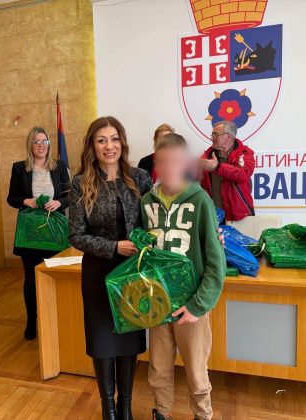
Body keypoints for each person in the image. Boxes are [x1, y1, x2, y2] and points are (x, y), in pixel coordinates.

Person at [70, 116, 152, 420]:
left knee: (128, 339)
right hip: (98, 274)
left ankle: (126, 407)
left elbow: (157, 220)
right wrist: (114, 247)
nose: (109, 146)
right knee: (103, 341)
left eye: (114, 138)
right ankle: (109, 409)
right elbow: (76, 235)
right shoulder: (81, 183)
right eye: (101, 140)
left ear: (122, 142)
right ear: (92, 145)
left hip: (133, 273)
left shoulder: (140, 178)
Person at [140, 133, 226, 420]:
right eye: (163, 162)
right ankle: (162, 412)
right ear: (155, 163)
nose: (169, 168)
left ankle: (202, 414)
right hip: (159, 302)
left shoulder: (201, 201)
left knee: (196, 371)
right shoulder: (146, 202)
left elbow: (215, 261)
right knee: (158, 367)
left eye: (175, 161)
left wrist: (199, 305)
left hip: (191, 304)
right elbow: (144, 251)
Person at [7, 127, 70, 340]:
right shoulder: (19, 168)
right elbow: (12, 198)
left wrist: (59, 202)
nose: (41, 145)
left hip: (55, 233)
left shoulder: (59, 167)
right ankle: (31, 321)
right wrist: (26, 201)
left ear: (49, 145)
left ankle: (56, 319)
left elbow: (71, 196)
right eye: (36, 141)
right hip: (30, 235)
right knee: (31, 280)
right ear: (30, 145)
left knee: (56, 277)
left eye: (45, 141)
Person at [199, 121, 255, 221]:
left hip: (239, 217)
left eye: (215, 134)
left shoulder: (245, 153)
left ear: (228, 137)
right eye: (212, 134)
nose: (212, 138)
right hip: (212, 216)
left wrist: (217, 167)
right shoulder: (207, 156)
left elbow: (243, 175)